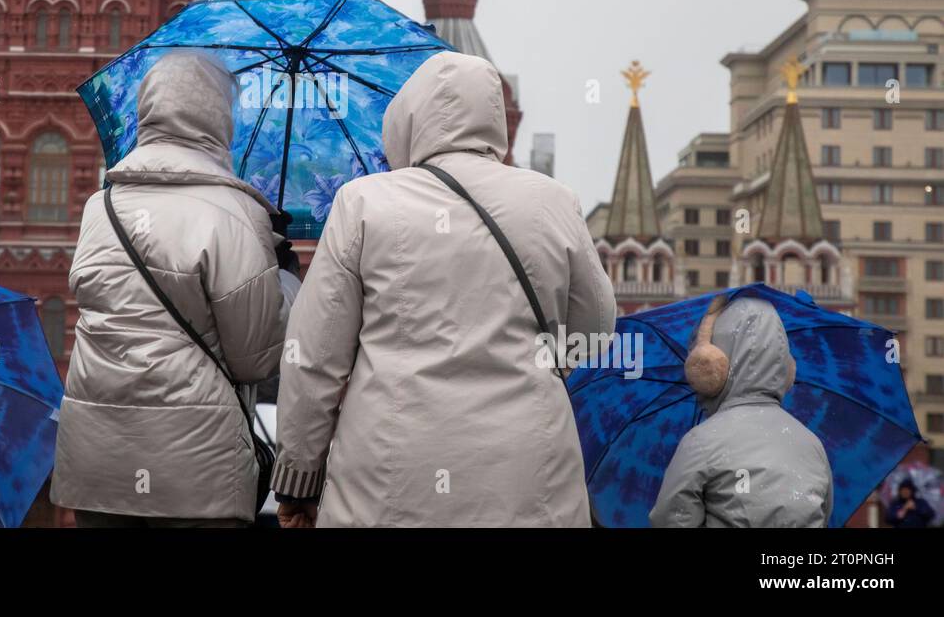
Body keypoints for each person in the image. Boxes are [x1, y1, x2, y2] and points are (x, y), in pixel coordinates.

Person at [272, 51, 616, 527]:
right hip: (527, 478)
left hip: (388, 480)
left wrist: (299, 479)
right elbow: (596, 323)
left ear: (409, 119)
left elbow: (313, 358)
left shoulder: (365, 202)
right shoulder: (553, 201)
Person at [51, 51, 292, 527]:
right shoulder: (235, 212)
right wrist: (281, 276)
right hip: (195, 472)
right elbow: (255, 359)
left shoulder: (101, 207)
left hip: (98, 468)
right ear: (219, 115)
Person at [650, 295, 833, 527]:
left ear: (713, 366)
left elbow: (672, 520)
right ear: (785, 369)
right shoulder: (813, 446)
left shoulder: (701, 442)